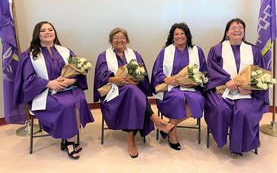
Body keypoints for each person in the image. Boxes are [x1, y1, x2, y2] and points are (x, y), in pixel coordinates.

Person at [13, 21, 94, 160]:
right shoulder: (30, 55)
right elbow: (28, 79)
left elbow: (78, 71)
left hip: (68, 88)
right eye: (43, 30)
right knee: (66, 105)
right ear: (37, 34)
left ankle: (69, 137)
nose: (47, 32)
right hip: (43, 93)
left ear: (54, 33)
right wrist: (49, 83)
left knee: (79, 99)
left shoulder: (65, 51)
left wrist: (72, 80)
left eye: (50, 29)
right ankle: (69, 142)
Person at [93, 27, 174, 158]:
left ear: (127, 40)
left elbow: (143, 75)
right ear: (111, 41)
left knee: (132, 91)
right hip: (113, 94)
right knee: (133, 93)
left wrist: (136, 81)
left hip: (132, 92)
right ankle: (154, 119)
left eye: (122, 38)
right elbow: (99, 77)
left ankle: (131, 138)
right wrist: (115, 79)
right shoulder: (103, 56)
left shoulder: (135, 55)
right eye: (116, 38)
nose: (119, 40)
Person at [204, 18, 269, 158]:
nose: (237, 30)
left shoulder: (254, 51)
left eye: (240, 27)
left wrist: (251, 89)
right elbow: (211, 69)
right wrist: (227, 80)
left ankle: (238, 147)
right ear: (227, 32)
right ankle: (221, 140)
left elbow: (261, 73)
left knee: (243, 111)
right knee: (221, 108)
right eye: (233, 27)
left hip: (247, 93)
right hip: (222, 90)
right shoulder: (217, 50)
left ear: (244, 32)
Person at [151, 22, 207, 150]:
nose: (179, 36)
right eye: (176, 34)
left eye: (182, 33)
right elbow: (156, 72)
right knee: (177, 98)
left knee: (199, 100)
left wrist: (196, 81)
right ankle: (173, 136)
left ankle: (168, 127)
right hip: (172, 88)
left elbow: (204, 71)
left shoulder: (197, 51)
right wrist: (166, 78)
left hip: (191, 88)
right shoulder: (165, 52)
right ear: (172, 37)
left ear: (187, 36)